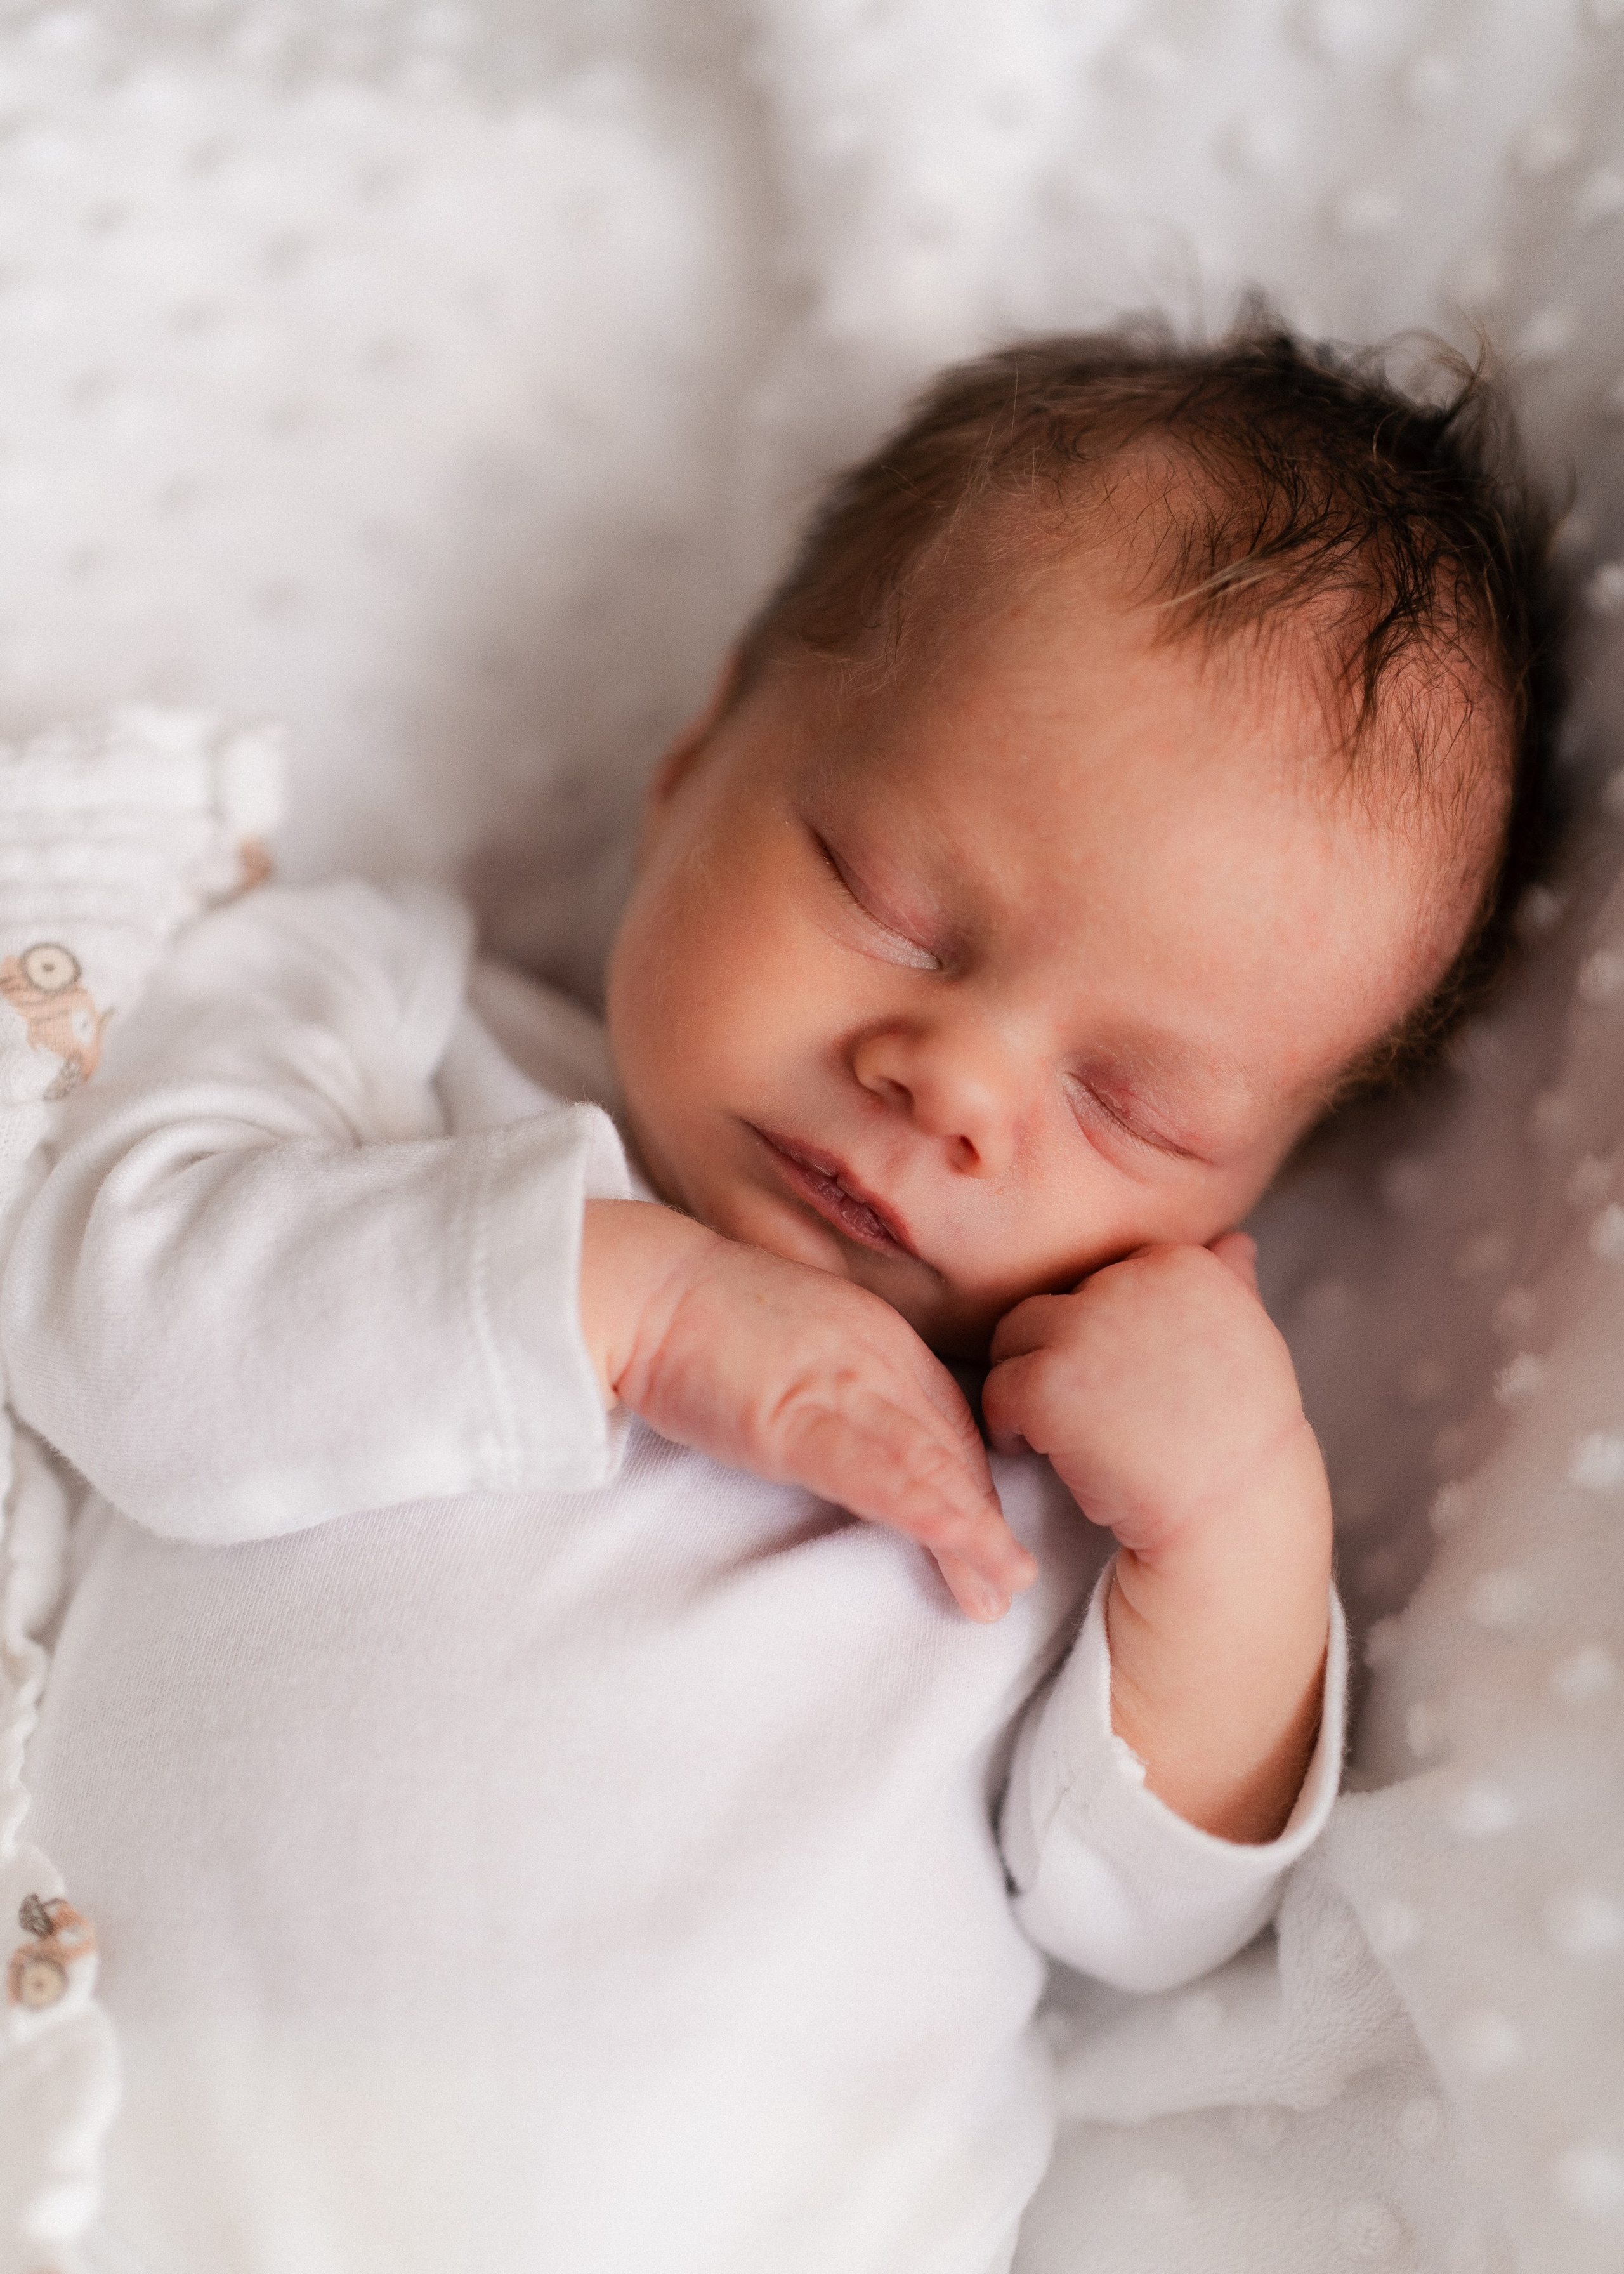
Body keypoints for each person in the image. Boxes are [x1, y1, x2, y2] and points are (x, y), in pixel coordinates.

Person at [1, 322, 1562, 2273]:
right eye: (893, 902)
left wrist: (1241, 1526)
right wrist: (639, 1310)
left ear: (1262, 1184)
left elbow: (1148, 1917)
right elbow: (110, 1318)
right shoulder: (395, 1032)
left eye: (1128, 1103)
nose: (958, 1085)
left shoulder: (1072, 1466)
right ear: (698, 758)